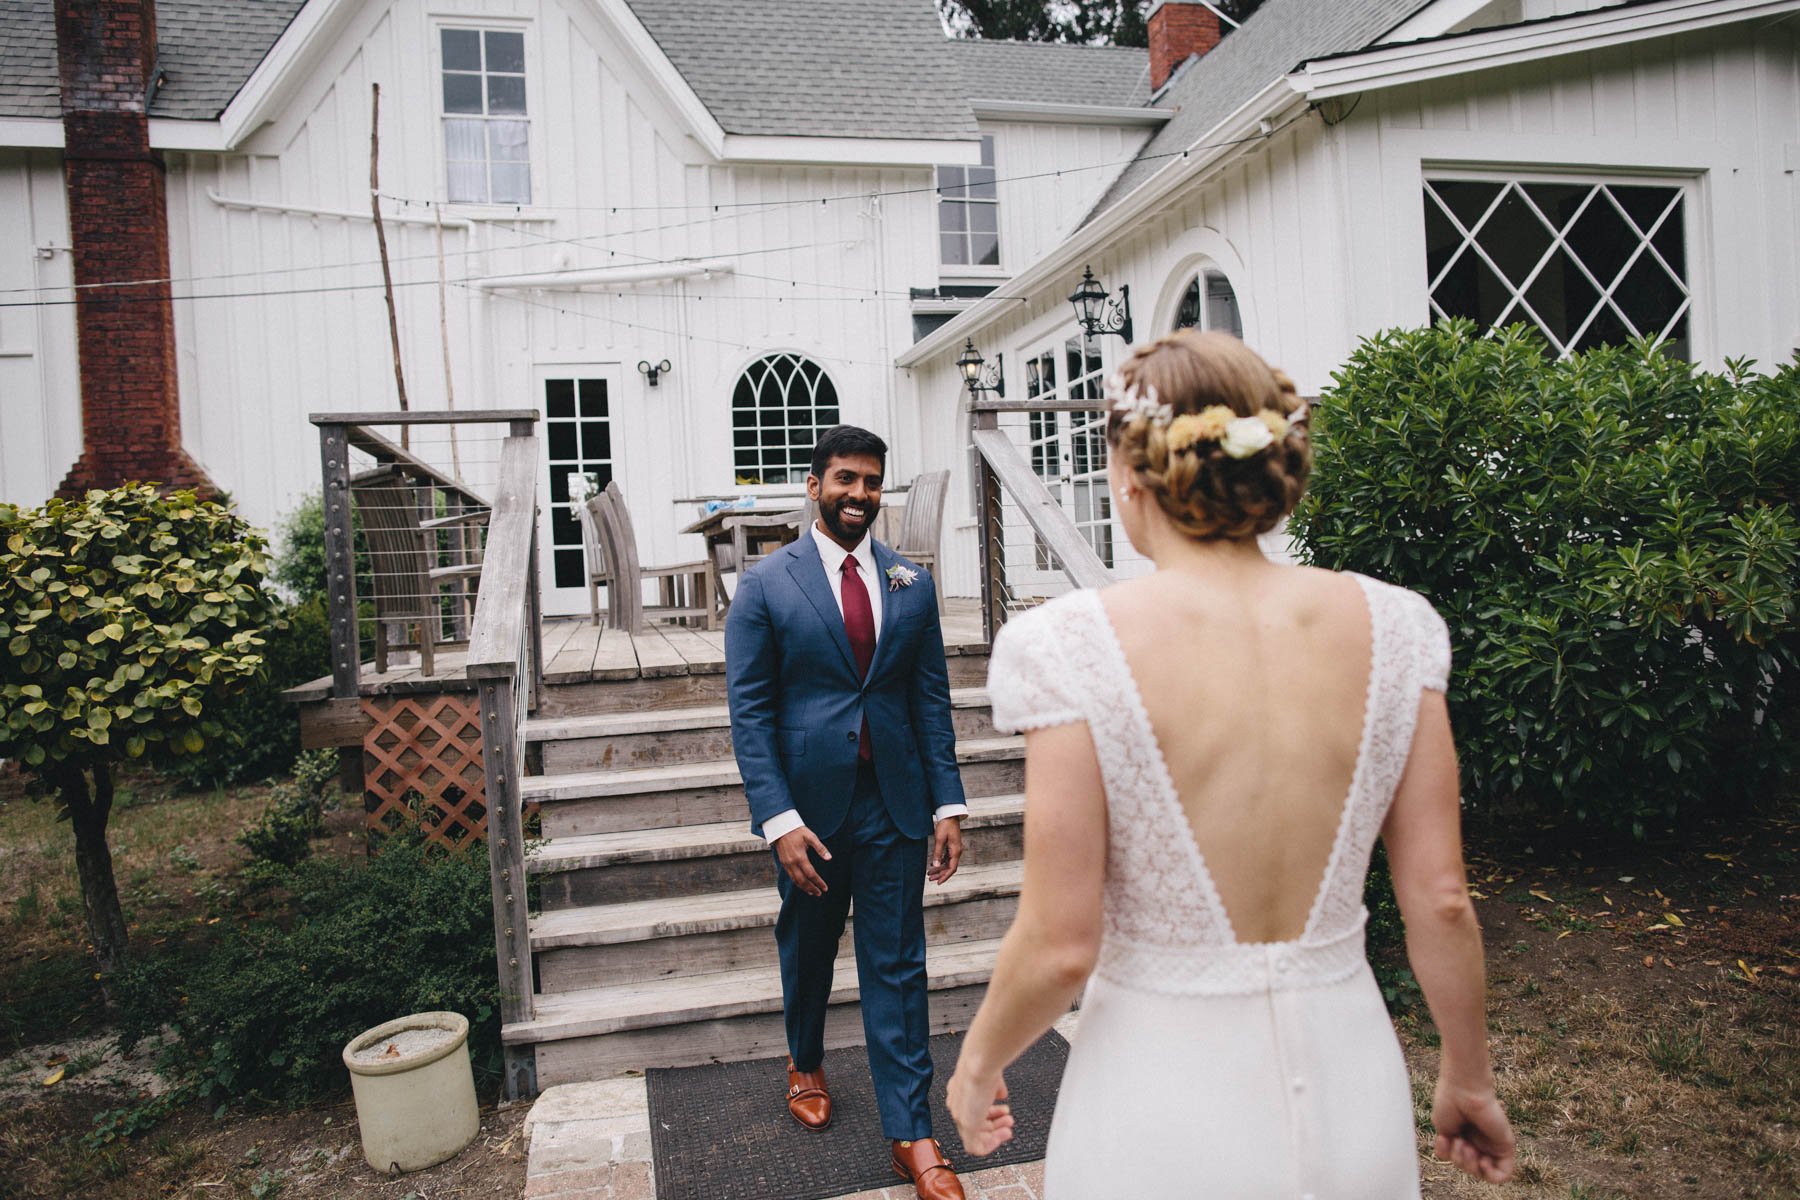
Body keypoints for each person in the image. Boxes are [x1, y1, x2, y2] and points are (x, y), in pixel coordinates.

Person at [944, 331, 1515, 1196]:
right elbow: (1440, 901)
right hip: (1348, 1083)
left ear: (1132, 476)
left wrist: (978, 1064)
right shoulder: (1398, 628)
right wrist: (1468, 1078)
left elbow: (1062, 943)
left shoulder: (1069, 644)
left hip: (1161, 1104)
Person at [725, 425, 972, 1200]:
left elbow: (929, 699)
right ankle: (804, 1061)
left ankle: (913, 1134)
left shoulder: (911, 582)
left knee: (897, 967)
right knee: (808, 946)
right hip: (809, 811)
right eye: (845, 480)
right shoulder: (766, 585)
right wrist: (778, 818)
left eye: (871, 482)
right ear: (814, 486)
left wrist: (948, 801)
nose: (860, 494)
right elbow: (751, 713)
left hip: (894, 803)